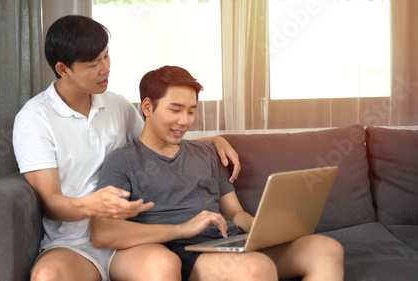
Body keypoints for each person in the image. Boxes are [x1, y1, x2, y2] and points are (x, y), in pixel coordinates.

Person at [12, 15, 241, 281]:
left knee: (162, 264)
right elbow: (51, 202)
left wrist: (214, 141)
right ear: (63, 70)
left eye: (106, 56)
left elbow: (155, 143)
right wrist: (92, 205)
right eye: (93, 64)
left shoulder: (116, 105)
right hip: (73, 243)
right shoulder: (34, 119)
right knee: (48, 275)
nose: (105, 68)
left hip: (128, 236)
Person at [91, 65, 345, 281]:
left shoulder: (206, 153)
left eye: (191, 111)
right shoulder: (123, 160)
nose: (185, 121)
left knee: (325, 248)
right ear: (147, 107)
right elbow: (104, 232)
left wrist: (260, 227)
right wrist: (183, 228)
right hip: (182, 249)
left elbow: (234, 212)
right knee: (255, 268)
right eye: (175, 110)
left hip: (226, 241)